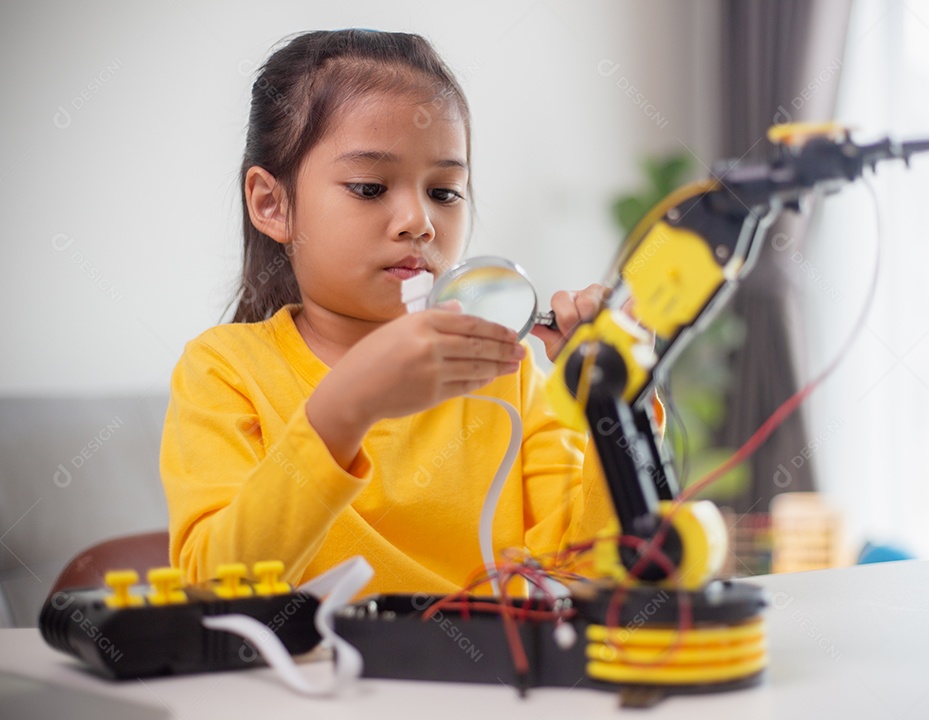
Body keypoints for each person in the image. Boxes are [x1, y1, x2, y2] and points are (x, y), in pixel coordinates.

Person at [160, 29, 617, 596]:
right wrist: (344, 410)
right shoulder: (223, 372)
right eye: (371, 187)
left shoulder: (510, 373)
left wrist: (616, 412)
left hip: (487, 681)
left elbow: (587, 575)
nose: (418, 222)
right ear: (271, 203)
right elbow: (212, 587)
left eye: (445, 192)